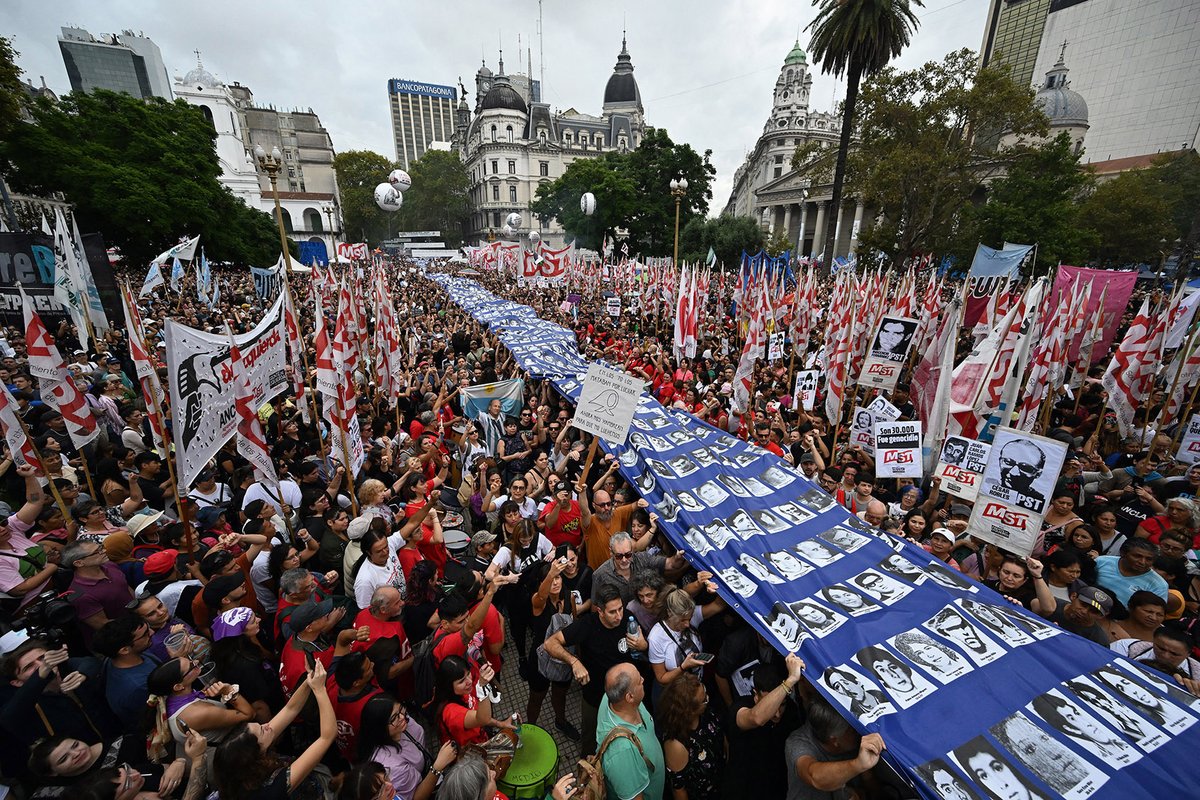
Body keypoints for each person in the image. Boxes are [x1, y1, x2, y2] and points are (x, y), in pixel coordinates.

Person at [212, 660, 338, 800]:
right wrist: (320, 690)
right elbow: (327, 737)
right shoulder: (270, 790)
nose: (267, 725)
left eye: (259, 726)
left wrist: (309, 680)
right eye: (262, 730)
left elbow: (291, 709)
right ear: (255, 755)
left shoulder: (241, 771)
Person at [544, 583, 646, 756]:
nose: (619, 616)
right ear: (599, 611)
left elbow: (642, 645)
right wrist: (574, 662)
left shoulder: (628, 618)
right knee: (590, 736)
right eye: (612, 612)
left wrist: (642, 645)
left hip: (625, 694)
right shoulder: (587, 625)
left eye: (620, 609)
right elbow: (550, 643)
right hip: (595, 695)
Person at [725, 655, 805, 797]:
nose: (777, 714)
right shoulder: (740, 708)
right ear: (756, 694)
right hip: (744, 790)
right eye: (773, 704)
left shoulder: (792, 713)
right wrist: (790, 680)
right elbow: (756, 718)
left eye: (782, 705)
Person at [357, 694, 457, 800]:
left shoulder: (402, 720)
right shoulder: (391, 766)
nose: (402, 717)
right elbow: (416, 797)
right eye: (394, 718)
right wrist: (437, 768)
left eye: (401, 709)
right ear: (380, 728)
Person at [786, 696, 886, 800]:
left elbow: (873, 788)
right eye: (851, 731)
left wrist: (865, 783)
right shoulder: (799, 743)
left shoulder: (855, 741)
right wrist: (858, 764)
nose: (857, 732)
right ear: (835, 740)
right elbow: (813, 776)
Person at [595, 663, 666, 800]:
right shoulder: (621, 752)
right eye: (639, 681)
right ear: (629, 697)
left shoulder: (612, 699)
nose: (643, 680)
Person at [657, 672, 725, 799]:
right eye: (704, 700)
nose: (707, 699)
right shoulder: (676, 745)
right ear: (690, 711)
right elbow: (679, 790)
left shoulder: (706, 713)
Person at [1094, 538, 1169, 604]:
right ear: (1123, 553)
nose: (1142, 562)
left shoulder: (1159, 585)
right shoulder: (1101, 561)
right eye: (1137, 556)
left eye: (1148, 559)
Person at [1038, 583, 1112, 645]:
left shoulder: (1099, 641)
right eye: (1083, 604)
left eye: (1093, 611)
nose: (1084, 611)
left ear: (1101, 616)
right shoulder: (1051, 605)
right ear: (1073, 596)